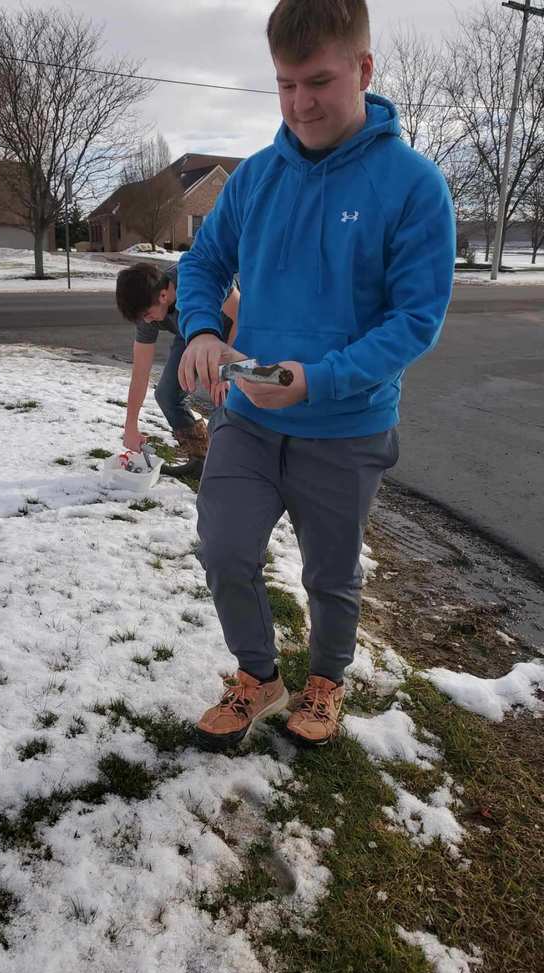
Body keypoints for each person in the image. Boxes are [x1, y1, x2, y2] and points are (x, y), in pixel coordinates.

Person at [177, 0, 456, 749]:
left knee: (331, 576)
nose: (301, 103)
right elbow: (203, 263)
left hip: (346, 427)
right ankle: (258, 677)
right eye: (285, 83)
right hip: (248, 417)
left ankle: (326, 681)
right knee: (224, 549)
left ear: (363, 69)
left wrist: (320, 380)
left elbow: (414, 320)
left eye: (319, 82)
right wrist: (201, 329)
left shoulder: (413, 185)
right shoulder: (256, 178)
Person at [115, 261, 239, 479]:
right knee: (167, 395)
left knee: (226, 401)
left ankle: (233, 469)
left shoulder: (195, 277)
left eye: (148, 315)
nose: (146, 321)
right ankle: (201, 461)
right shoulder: (147, 308)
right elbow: (140, 372)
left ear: (163, 296)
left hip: (236, 326)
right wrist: (131, 426)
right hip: (192, 332)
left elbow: (241, 313)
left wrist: (226, 370)